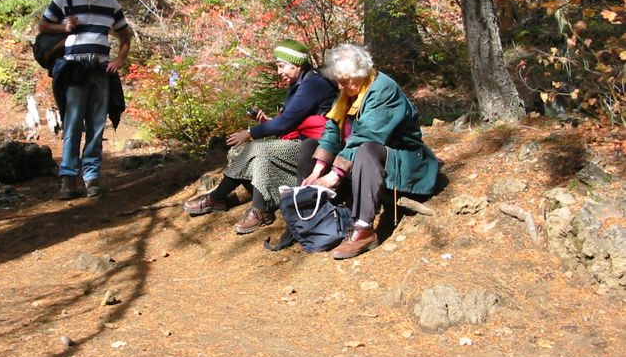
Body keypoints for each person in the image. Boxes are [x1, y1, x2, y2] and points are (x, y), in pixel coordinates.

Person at [183, 40, 338, 234]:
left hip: (316, 148)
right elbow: (292, 120)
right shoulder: (300, 83)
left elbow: (288, 122)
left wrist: (250, 133)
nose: (279, 71)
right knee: (259, 153)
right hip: (302, 141)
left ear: (296, 64)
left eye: (281, 66)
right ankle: (259, 209)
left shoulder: (313, 84)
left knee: (257, 148)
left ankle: (221, 198)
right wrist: (269, 122)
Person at [301, 43, 439, 259]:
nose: (339, 87)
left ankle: (364, 227)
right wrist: (318, 171)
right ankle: (314, 217)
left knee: (367, 149)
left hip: (404, 160)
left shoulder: (383, 88)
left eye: (344, 81)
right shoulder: (349, 90)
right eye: (337, 80)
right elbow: (331, 129)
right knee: (310, 145)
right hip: (361, 160)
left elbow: (367, 135)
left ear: (361, 73)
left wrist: (335, 174)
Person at [39, 0, 132, 200]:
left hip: (100, 70)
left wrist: (119, 61)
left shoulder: (110, 3)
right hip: (74, 70)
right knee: (72, 124)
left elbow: (125, 36)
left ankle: (91, 177)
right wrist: (64, 27)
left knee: (96, 125)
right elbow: (43, 26)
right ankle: (68, 179)